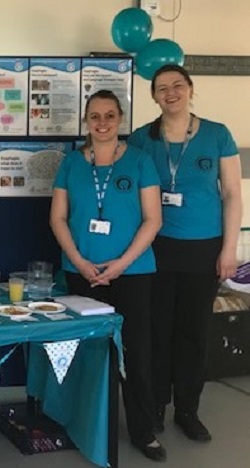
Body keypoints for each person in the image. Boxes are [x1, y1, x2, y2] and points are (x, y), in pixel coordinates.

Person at [128, 64, 242, 442]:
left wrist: (229, 250)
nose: (171, 92)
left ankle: (188, 409)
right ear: (154, 96)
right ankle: (157, 405)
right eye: (162, 88)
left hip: (204, 248)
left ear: (191, 89)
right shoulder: (143, 139)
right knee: (158, 330)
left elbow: (231, 195)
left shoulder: (217, 134)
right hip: (156, 248)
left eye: (178, 85)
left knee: (194, 332)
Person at [50, 90, 165, 461]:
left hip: (132, 273)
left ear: (120, 120)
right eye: (95, 116)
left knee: (135, 353)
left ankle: (143, 430)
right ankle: (81, 422)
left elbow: (153, 219)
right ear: (86, 121)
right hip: (81, 273)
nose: (102, 123)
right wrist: (80, 262)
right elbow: (57, 218)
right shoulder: (71, 163)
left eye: (110, 116)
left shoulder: (140, 161)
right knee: (84, 353)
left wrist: (121, 264)